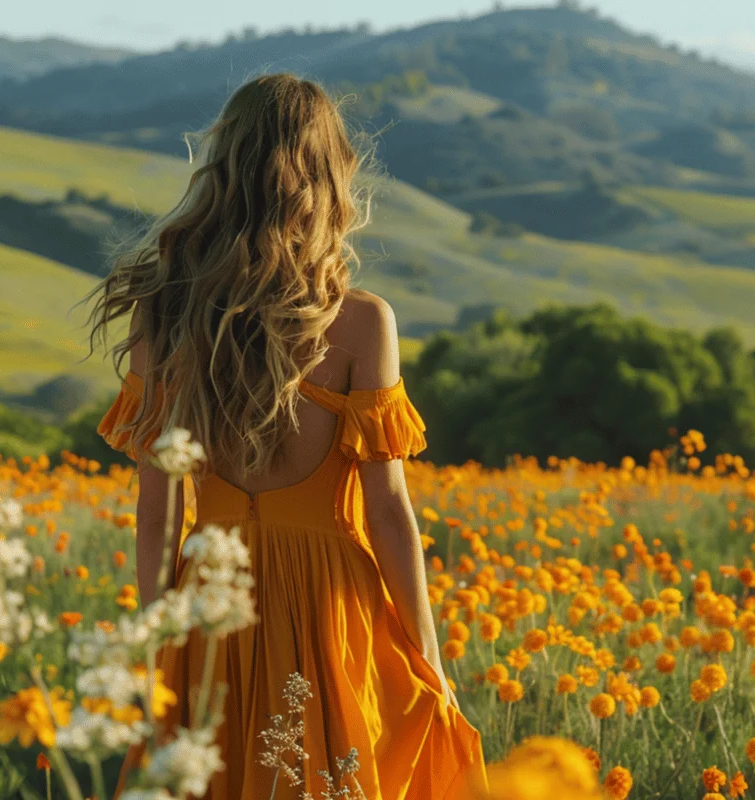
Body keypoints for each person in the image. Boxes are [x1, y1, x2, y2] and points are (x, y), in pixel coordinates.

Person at [86, 73, 487, 799]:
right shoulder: (365, 322)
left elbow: (159, 519)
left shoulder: (161, 315)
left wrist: (151, 652)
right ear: (333, 177)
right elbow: (390, 510)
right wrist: (427, 654)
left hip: (210, 606)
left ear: (221, 170)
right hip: (333, 613)